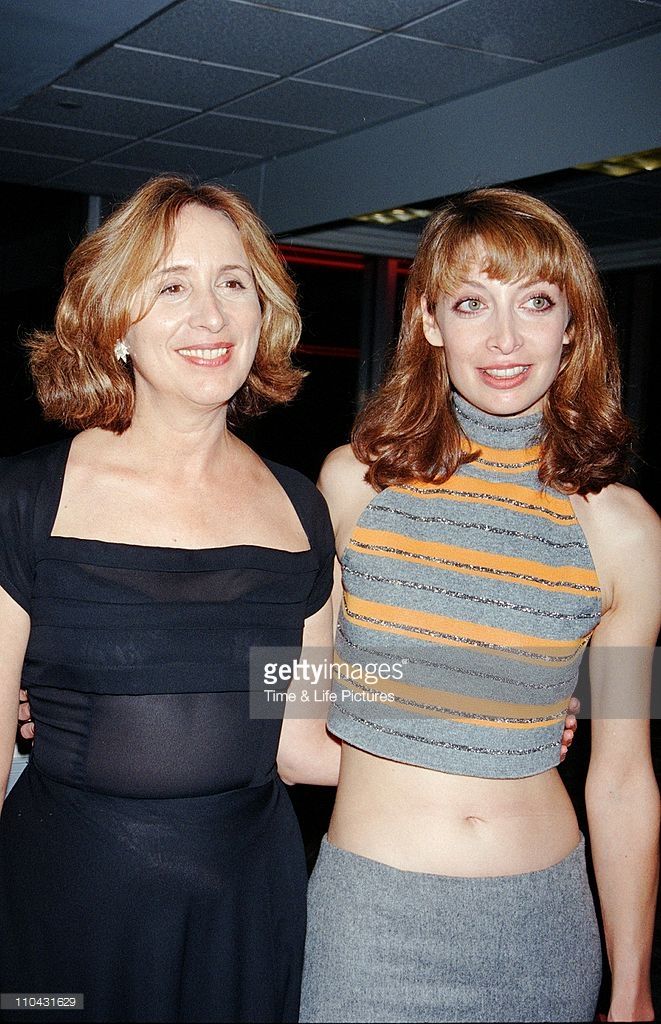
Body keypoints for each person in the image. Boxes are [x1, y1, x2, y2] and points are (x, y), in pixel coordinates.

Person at [300, 188, 660, 1023]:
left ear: (571, 326)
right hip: (369, 922)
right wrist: (472, 705)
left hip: (544, 928)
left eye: (535, 303)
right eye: (471, 304)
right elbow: (289, 703)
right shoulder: (351, 485)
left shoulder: (627, 531)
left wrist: (633, 987)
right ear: (429, 322)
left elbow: (622, 779)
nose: (504, 339)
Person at [0, 175, 342, 1023]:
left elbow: (302, 739)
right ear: (116, 322)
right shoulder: (24, 501)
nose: (211, 315)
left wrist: (489, 713)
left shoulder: (301, 508)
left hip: (245, 912)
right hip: (63, 910)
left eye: (233, 283)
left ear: (263, 312)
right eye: (172, 287)